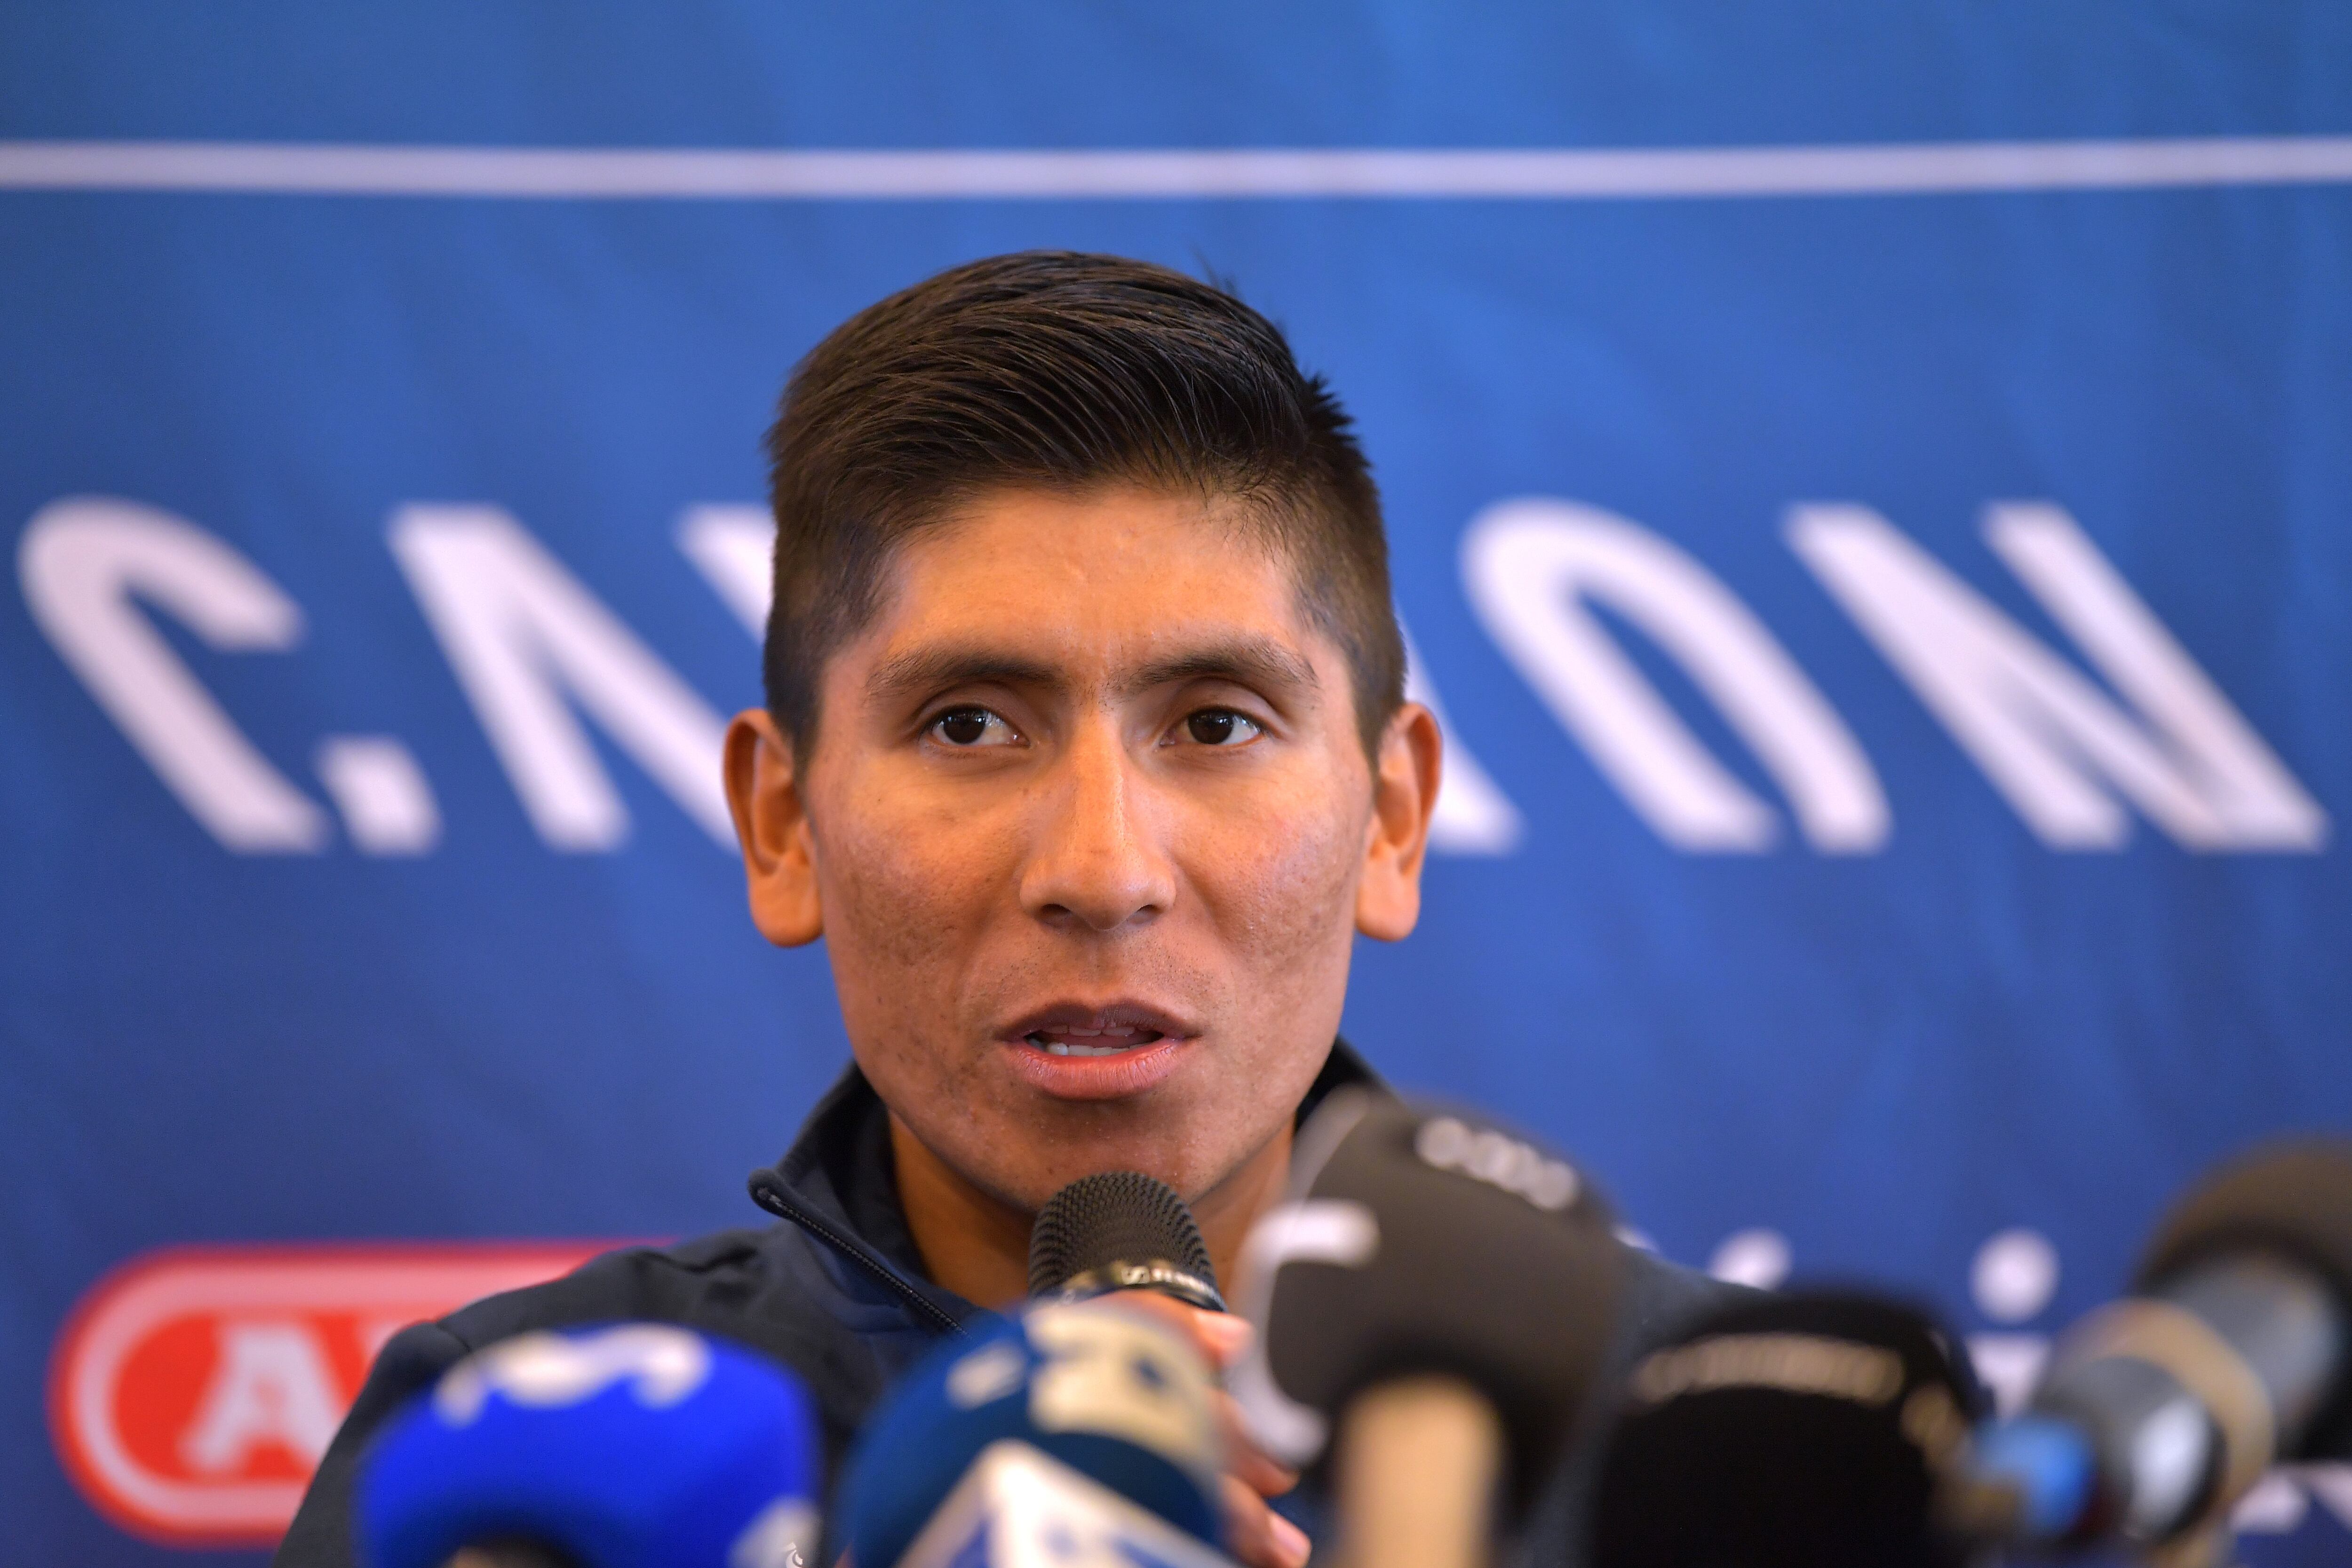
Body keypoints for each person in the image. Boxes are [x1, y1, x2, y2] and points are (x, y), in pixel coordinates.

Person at [275, 252, 1731, 1568]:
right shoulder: (507, 1462)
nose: (1101, 874)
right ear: (783, 826)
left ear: (1391, 822)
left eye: (1216, 725)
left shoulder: (1719, 1447)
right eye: (971, 725)